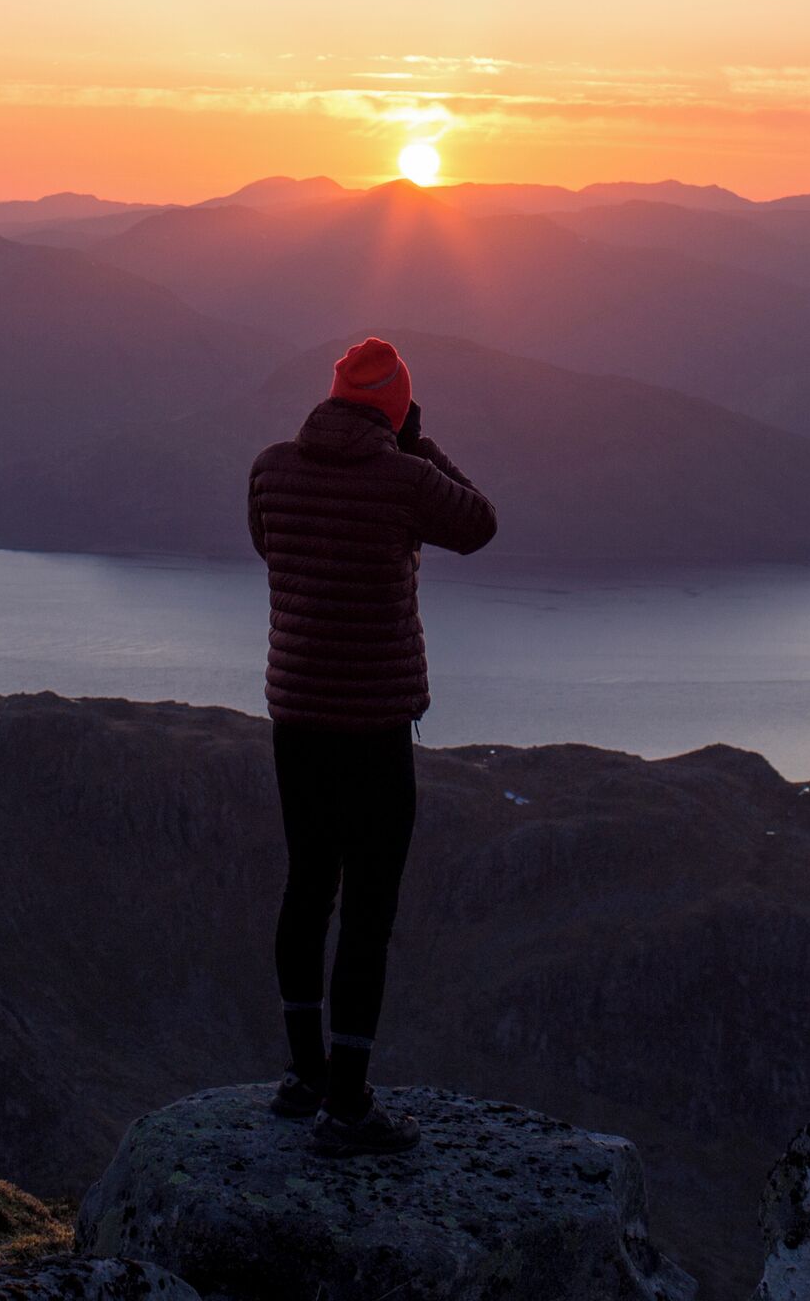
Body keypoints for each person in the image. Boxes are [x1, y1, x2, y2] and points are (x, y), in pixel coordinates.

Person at [245, 333, 498, 1155]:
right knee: (368, 907)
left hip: (297, 721)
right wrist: (419, 445)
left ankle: (305, 1076)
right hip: (375, 727)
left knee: (307, 888)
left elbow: (271, 549)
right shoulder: (404, 479)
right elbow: (479, 524)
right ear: (395, 408)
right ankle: (349, 1108)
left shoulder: (271, 470)